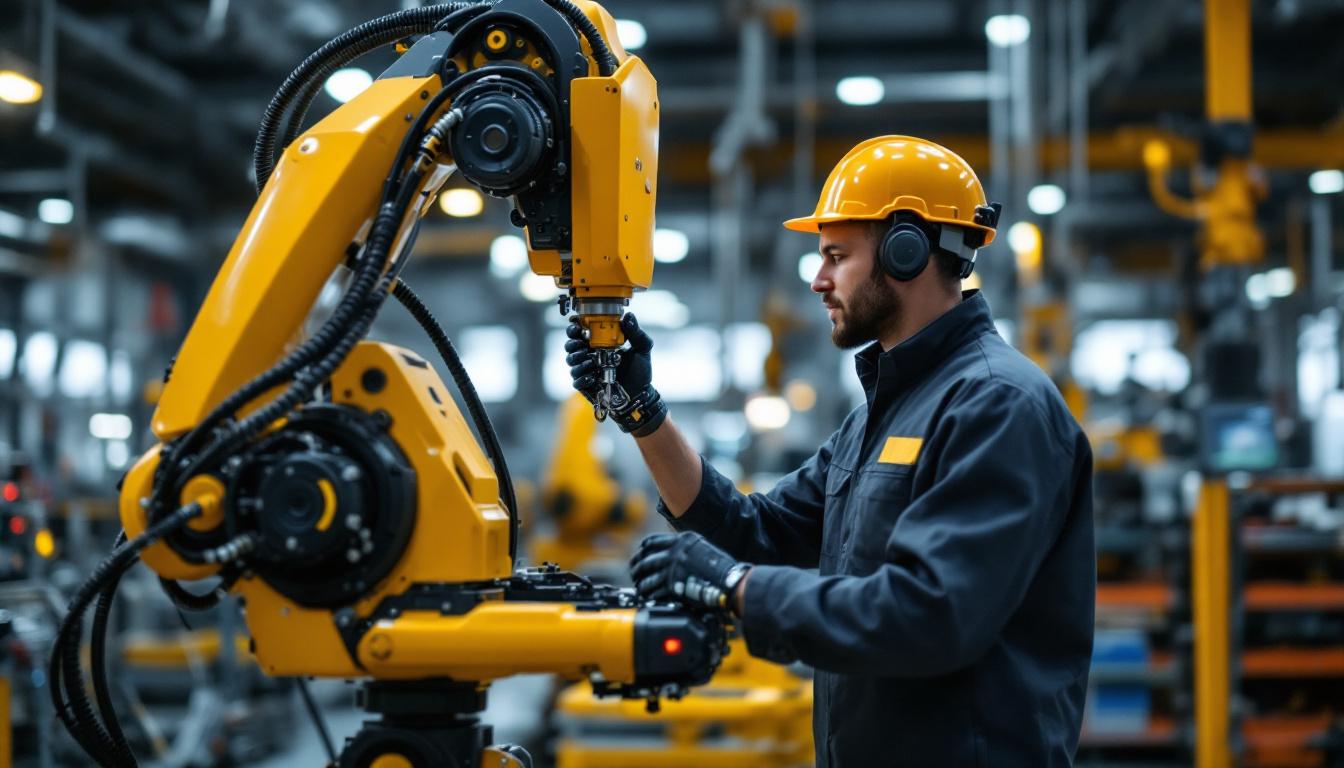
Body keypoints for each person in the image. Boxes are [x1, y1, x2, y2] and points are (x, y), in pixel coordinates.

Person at [566, 135, 1095, 767]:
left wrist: (736, 587)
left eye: (836, 255)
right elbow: (754, 529)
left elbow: (933, 614)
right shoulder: (882, 412)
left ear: (909, 251)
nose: (818, 281)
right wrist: (640, 412)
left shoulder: (997, 406)